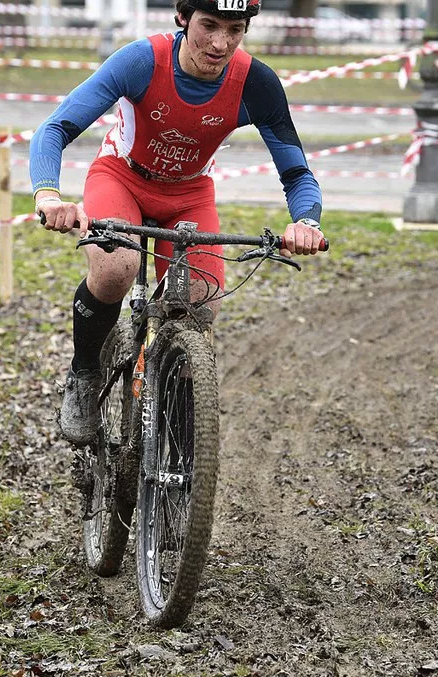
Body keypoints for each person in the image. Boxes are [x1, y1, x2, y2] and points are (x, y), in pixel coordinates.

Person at [29, 0, 326, 446]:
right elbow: (54, 129)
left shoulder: (256, 82)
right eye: (209, 25)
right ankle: (85, 373)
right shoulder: (142, 60)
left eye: (235, 29)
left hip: (189, 194)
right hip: (122, 177)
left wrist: (306, 221)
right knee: (115, 269)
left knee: (201, 302)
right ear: (184, 18)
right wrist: (49, 194)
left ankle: (173, 413)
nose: (220, 43)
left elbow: (296, 172)